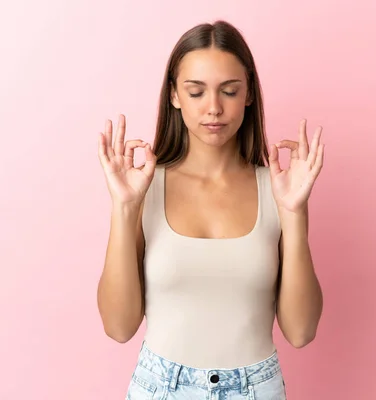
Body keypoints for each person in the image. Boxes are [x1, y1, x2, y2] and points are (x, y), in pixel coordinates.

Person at [97, 20, 324, 400]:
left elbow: (301, 332)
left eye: (229, 91)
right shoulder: (142, 187)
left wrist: (295, 215)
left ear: (248, 94)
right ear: (174, 95)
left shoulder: (281, 188)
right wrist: (124, 208)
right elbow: (119, 327)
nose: (214, 108)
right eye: (196, 91)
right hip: (160, 388)